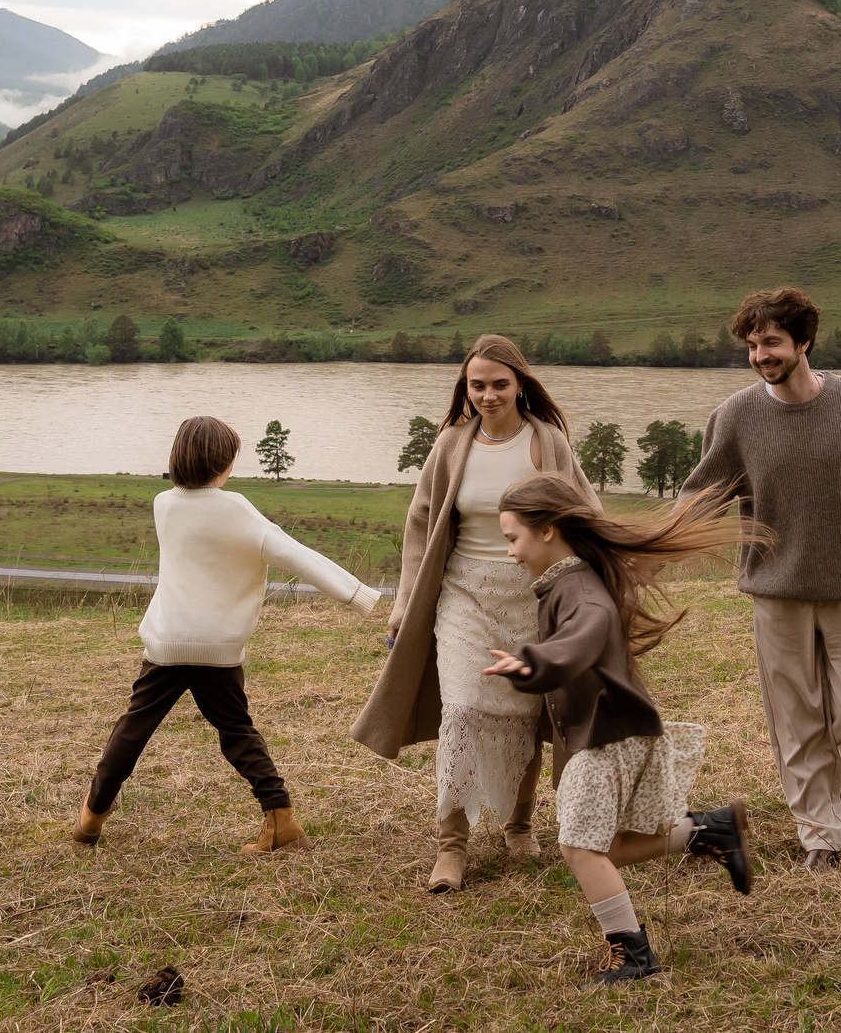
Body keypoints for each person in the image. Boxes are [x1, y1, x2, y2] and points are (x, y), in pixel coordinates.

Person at [679, 286, 841, 870]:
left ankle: (833, 775)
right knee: (796, 723)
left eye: (771, 342)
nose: (760, 355)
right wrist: (647, 544)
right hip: (777, 594)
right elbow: (699, 496)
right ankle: (821, 834)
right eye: (752, 345)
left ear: (804, 342)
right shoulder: (736, 417)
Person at [483, 473, 760, 988]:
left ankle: (633, 955)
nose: (511, 551)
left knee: (578, 847)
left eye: (513, 538)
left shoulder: (578, 589)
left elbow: (584, 634)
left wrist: (535, 662)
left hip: (607, 737)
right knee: (601, 847)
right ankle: (708, 831)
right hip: (611, 731)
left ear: (547, 531)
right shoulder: (569, 579)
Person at [350, 334, 602, 892]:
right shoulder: (451, 444)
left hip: (535, 597)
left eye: (499, 384)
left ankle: (519, 822)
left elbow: (586, 510)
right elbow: (421, 522)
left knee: (527, 714)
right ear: (465, 388)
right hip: (462, 595)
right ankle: (451, 845)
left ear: (520, 385)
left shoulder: (548, 441)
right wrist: (404, 602)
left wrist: (601, 582)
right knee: (462, 711)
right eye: (477, 385)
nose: (488, 395)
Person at [72, 415, 382, 853]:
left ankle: (91, 818)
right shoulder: (236, 509)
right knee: (236, 731)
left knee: (133, 730)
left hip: (167, 642)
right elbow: (296, 554)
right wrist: (358, 596)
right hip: (218, 647)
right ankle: (280, 819)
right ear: (225, 464)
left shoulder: (163, 504)